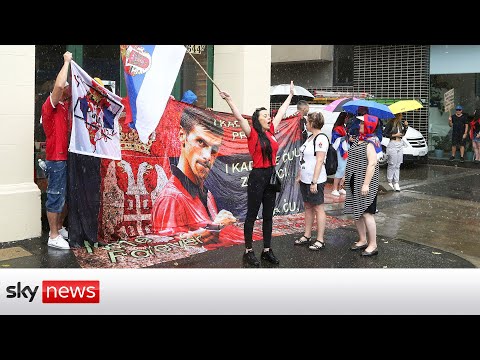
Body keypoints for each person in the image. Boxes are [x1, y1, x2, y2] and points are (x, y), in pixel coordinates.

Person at [219, 81, 295, 267]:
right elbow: (239, 118)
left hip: (270, 176)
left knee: (268, 215)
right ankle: (248, 251)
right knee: (252, 215)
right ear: (257, 119)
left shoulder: (271, 131)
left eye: (269, 115)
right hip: (257, 177)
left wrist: (290, 96)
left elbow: (282, 113)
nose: (269, 118)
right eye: (265, 116)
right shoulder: (251, 133)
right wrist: (229, 100)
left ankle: (267, 250)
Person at [151, 106, 238, 248]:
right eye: (200, 142)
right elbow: (166, 251)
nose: (207, 156)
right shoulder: (171, 199)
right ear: (182, 135)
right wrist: (216, 227)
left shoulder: (207, 195)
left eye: (214, 150)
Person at [41, 51, 72, 250]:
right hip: (56, 159)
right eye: (66, 87)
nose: (67, 89)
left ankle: (59, 228)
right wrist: (67, 61)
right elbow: (59, 85)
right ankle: (52, 236)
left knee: (63, 196)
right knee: (55, 196)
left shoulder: (64, 107)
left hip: (65, 158)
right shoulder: (49, 106)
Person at [344, 114, 381, 256]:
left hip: (366, 183)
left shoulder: (371, 142)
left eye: (362, 124)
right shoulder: (359, 140)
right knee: (357, 212)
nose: (359, 125)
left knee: (367, 213)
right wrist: (344, 177)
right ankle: (362, 240)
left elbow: (372, 163)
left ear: (369, 126)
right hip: (354, 180)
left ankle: (373, 245)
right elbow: (351, 159)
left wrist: (366, 184)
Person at [294, 112, 328, 251]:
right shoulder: (309, 138)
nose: (306, 124)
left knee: (318, 207)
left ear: (313, 123)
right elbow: (305, 159)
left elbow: (319, 160)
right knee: (308, 206)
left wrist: (314, 181)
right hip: (305, 178)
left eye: (307, 122)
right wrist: (300, 175)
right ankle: (307, 235)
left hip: (316, 179)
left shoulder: (321, 138)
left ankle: (320, 239)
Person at [383, 113, 408, 191]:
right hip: (393, 144)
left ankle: (396, 182)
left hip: (400, 144)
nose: (402, 116)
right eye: (400, 115)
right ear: (397, 115)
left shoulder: (400, 124)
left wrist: (406, 127)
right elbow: (385, 133)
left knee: (398, 164)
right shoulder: (390, 123)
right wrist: (394, 135)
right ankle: (390, 181)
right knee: (392, 164)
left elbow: (402, 134)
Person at [331, 112, 350, 196]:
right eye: (346, 117)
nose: (347, 119)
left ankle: (341, 187)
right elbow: (335, 140)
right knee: (341, 168)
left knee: (345, 169)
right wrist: (345, 137)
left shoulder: (344, 127)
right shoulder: (338, 128)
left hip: (345, 149)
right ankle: (335, 188)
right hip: (341, 150)